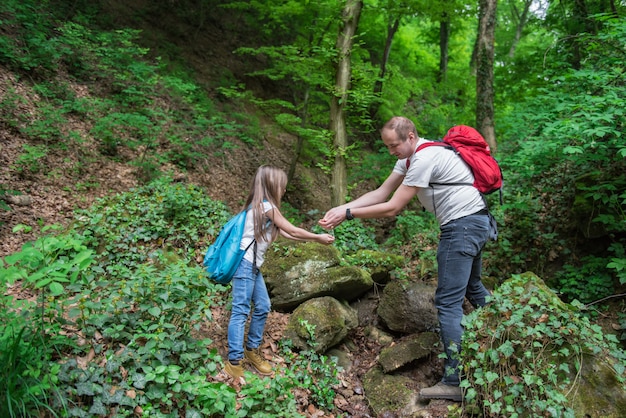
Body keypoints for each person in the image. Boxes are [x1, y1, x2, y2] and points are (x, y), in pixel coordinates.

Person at [319, 116, 492, 402]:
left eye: (394, 145)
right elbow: (381, 192)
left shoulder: (425, 158)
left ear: (410, 136)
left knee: (447, 302)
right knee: (473, 287)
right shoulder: (410, 158)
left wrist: (348, 215)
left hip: (461, 227)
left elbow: (393, 207)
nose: (391, 151)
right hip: (474, 222)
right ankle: (505, 332)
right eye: (387, 146)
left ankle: (454, 380)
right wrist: (342, 207)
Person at [225, 165, 335, 380]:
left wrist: (315, 238)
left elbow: (288, 234)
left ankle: (251, 350)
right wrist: (317, 237)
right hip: (245, 265)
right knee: (240, 311)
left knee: (264, 306)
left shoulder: (265, 209)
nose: (284, 190)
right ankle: (234, 363)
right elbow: (293, 229)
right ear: (273, 185)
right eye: (282, 186)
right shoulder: (265, 207)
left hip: (253, 267)